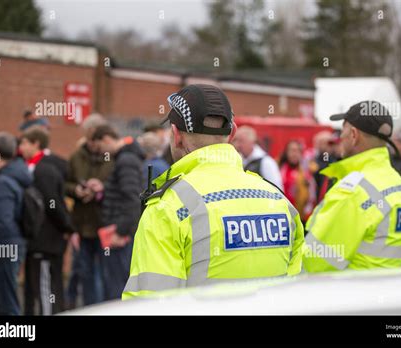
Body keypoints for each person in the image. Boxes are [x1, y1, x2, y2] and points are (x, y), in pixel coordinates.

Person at [122, 84, 305, 299]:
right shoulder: (279, 201)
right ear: (233, 132)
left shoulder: (168, 208)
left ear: (176, 135)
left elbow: (150, 303)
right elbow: (297, 292)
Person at [302, 101, 401, 273]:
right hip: (393, 294)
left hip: (353, 295)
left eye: (342, 130)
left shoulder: (353, 192)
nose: (339, 138)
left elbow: (315, 263)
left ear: (353, 134)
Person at [19, 126, 74, 315]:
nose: (21, 147)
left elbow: (54, 205)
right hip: (39, 242)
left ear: (36, 143)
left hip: (46, 242)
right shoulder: (31, 167)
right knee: (41, 289)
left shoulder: (44, 170)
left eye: (24, 143)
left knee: (46, 291)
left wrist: (67, 227)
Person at [64, 114, 114, 307]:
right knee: (85, 273)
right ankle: (90, 308)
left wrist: (100, 190)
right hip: (82, 225)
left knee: (105, 274)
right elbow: (65, 183)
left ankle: (104, 309)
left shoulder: (112, 156)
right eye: (90, 136)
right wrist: (76, 190)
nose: (93, 142)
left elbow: (118, 187)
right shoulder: (76, 156)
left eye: (96, 137)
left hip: (105, 224)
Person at [0, 132, 32, 315]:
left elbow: (3, 222)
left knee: (6, 304)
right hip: (7, 247)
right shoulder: (11, 176)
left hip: (3, 249)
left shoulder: (3, 181)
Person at [91, 125, 145, 300]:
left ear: (107, 139)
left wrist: (120, 232)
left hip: (119, 235)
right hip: (119, 231)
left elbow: (132, 199)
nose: (100, 153)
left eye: (99, 147)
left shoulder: (126, 160)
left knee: (117, 287)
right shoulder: (127, 158)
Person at [233, 126, 283, 190]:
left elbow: (277, 189)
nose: (237, 144)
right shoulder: (236, 160)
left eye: (241, 141)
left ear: (252, 141)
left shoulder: (266, 162)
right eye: (235, 140)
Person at [279, 140, 317, 223]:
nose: (294, 154)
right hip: (283, 216)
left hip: (301, 218)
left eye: (297, 151)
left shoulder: (307, 173)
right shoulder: (279, 170)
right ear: (286, 153)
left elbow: (312, 196)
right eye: (292, 150)